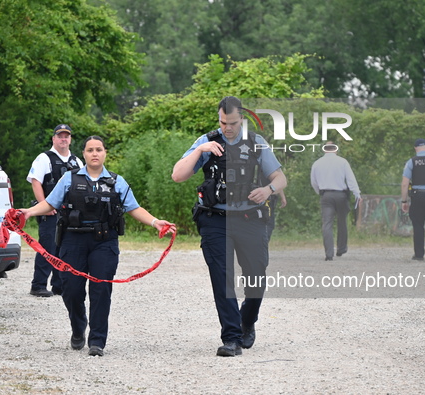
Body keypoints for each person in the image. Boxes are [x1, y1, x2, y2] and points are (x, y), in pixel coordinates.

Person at [20, 136, 175, 357]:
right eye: (90, 150)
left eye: (99, 149)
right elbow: (50, 203)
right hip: (72, 240)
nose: (95, 153)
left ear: (104, 153)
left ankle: (97, 341)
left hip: (104, 241)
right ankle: (78, 327)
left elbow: (134, 207)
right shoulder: (69, 178)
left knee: (101, 290)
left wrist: (155, 222)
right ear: (83, 154)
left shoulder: (116, 181)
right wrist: (28, 211)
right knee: (71, 290)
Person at [171, 96, 287, 357]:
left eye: (232, 123)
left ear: (242, 119)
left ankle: (247, 321)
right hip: (214, 220)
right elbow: (177, 175)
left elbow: (280, 179)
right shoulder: (206, 142)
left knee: (256, 276)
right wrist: (200, 151)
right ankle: (231, 338)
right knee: (222, 279)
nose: (227, 128)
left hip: (249, 219)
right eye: (223, 122)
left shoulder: (256, 142)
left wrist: (268, 190)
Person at [26, 124, 84, 297]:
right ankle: (38, 285)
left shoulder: (76, 161)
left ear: (70, 139)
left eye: (66, 136)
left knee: (65, 249)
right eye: (60, 136)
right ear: (54, 139)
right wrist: (43, 206)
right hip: (50, 212)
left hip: (70, 213)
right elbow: (35, 181)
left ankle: (59, 285)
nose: (63, 139)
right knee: (48, 247)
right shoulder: (45, 158)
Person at [310, 141, 361, 261]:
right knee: (342, 221)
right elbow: (350, 179)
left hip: (326, 195)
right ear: (335, 149)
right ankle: (341, 248)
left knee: (327, 223)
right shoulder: (342, 162)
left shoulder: (317, 163)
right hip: (341, 195)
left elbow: (314, 182)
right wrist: (357, 194)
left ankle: (329, 254)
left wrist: (320, 192)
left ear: (324, 149)